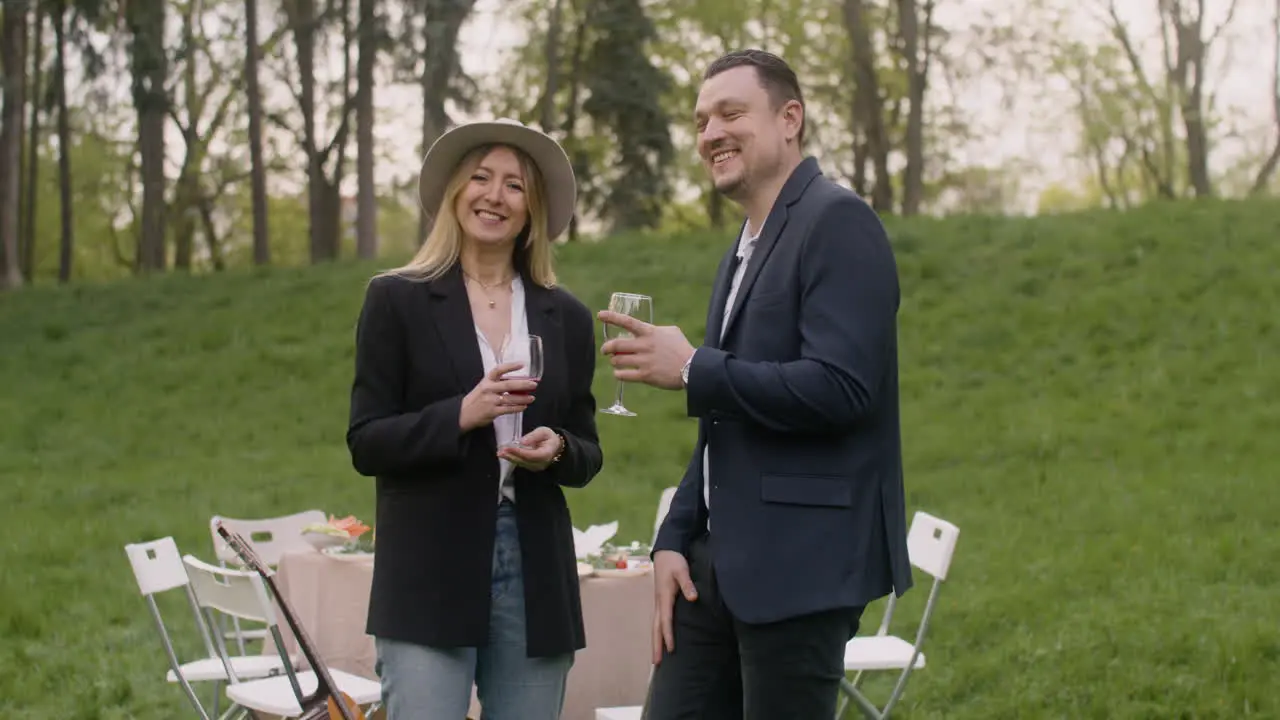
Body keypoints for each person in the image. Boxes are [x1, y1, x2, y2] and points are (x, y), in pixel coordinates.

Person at [598, 50, 914, 719]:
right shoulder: (743, 246)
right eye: (701, 119)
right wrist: (673, 537)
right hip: (711, 570)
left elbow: (841, 389)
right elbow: (724, 421)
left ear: (790, 118)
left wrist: (692, 367)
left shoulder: (838, 222)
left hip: (800, 566)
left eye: (730, 112)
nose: (709, 132)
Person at [346, 118, 603, 720]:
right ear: (455, 192)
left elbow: (588, 448)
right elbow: (366, 442)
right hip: (428, 566)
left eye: (515, 185)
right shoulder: (396, 300)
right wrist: (461, 414)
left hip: (534, 564)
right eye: (481, 178)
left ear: (532, 208)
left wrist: (558, 448)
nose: (495, 195)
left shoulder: (565, 315)